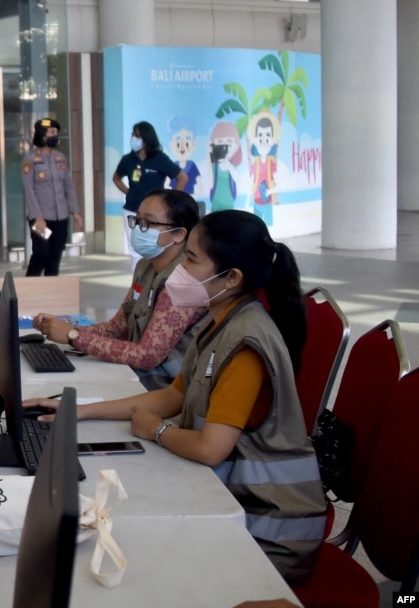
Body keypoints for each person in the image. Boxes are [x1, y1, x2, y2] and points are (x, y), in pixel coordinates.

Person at [27, 209, 325, 581]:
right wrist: (78, 410)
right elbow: (171, 398)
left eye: (191, 258)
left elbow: (209, 448)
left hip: (269, 531)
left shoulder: (246, 343)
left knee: (138, 558)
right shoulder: (220, 319)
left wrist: (157, 432)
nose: (180, 269)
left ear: (231, 277)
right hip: (232, 498)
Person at [32, 189, 206, 390]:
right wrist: (60, 327)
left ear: (178, 234)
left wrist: (74, 336)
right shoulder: (145, 267)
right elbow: (116, 328)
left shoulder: (182, 282)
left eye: (148, 223)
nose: (138, 229)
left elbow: (147, 356)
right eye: (137, 220)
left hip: (164, 389)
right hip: (137, 374)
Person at [113, 121, 188, 269]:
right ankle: (137, 283)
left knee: (154, 247)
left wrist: (171, 199)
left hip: (154, 214)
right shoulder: (128, 160)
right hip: (132, 209)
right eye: (133, 135)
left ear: (147, 138)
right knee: (134, 249)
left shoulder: (160, 159)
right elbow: (116, 178)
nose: (133, 138)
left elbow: (182, 178)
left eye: (137, 135)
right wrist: (129, 192)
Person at [22, 118, 83, 276]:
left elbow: (68, 185)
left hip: (60, 218)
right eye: (52, 133)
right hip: (41, 219)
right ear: (42, 136)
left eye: (57, 133)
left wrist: (75, 211)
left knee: (55, 257)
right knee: (41, 253)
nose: (56, 136)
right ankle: (28, 287)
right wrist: (37, 217)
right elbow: (29, 190)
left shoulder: (60, 158)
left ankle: (50, 294)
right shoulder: (30, 160)